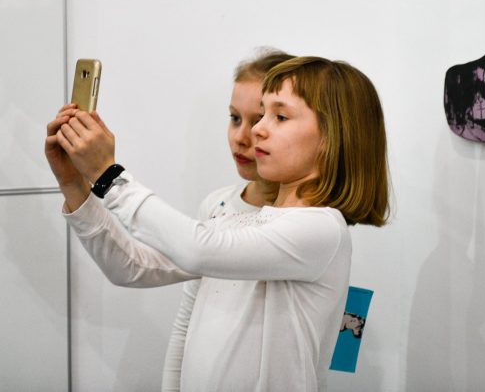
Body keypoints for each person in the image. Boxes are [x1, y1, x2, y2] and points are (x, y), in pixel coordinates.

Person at [45, 54, 389, 392]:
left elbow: (197, 249)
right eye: (256, 115)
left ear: (332, 138)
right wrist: (74, 184)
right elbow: (132, 267)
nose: (257, 130)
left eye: (280, 116)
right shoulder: (238, 220)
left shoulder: (322, 229)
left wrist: (108, 175)